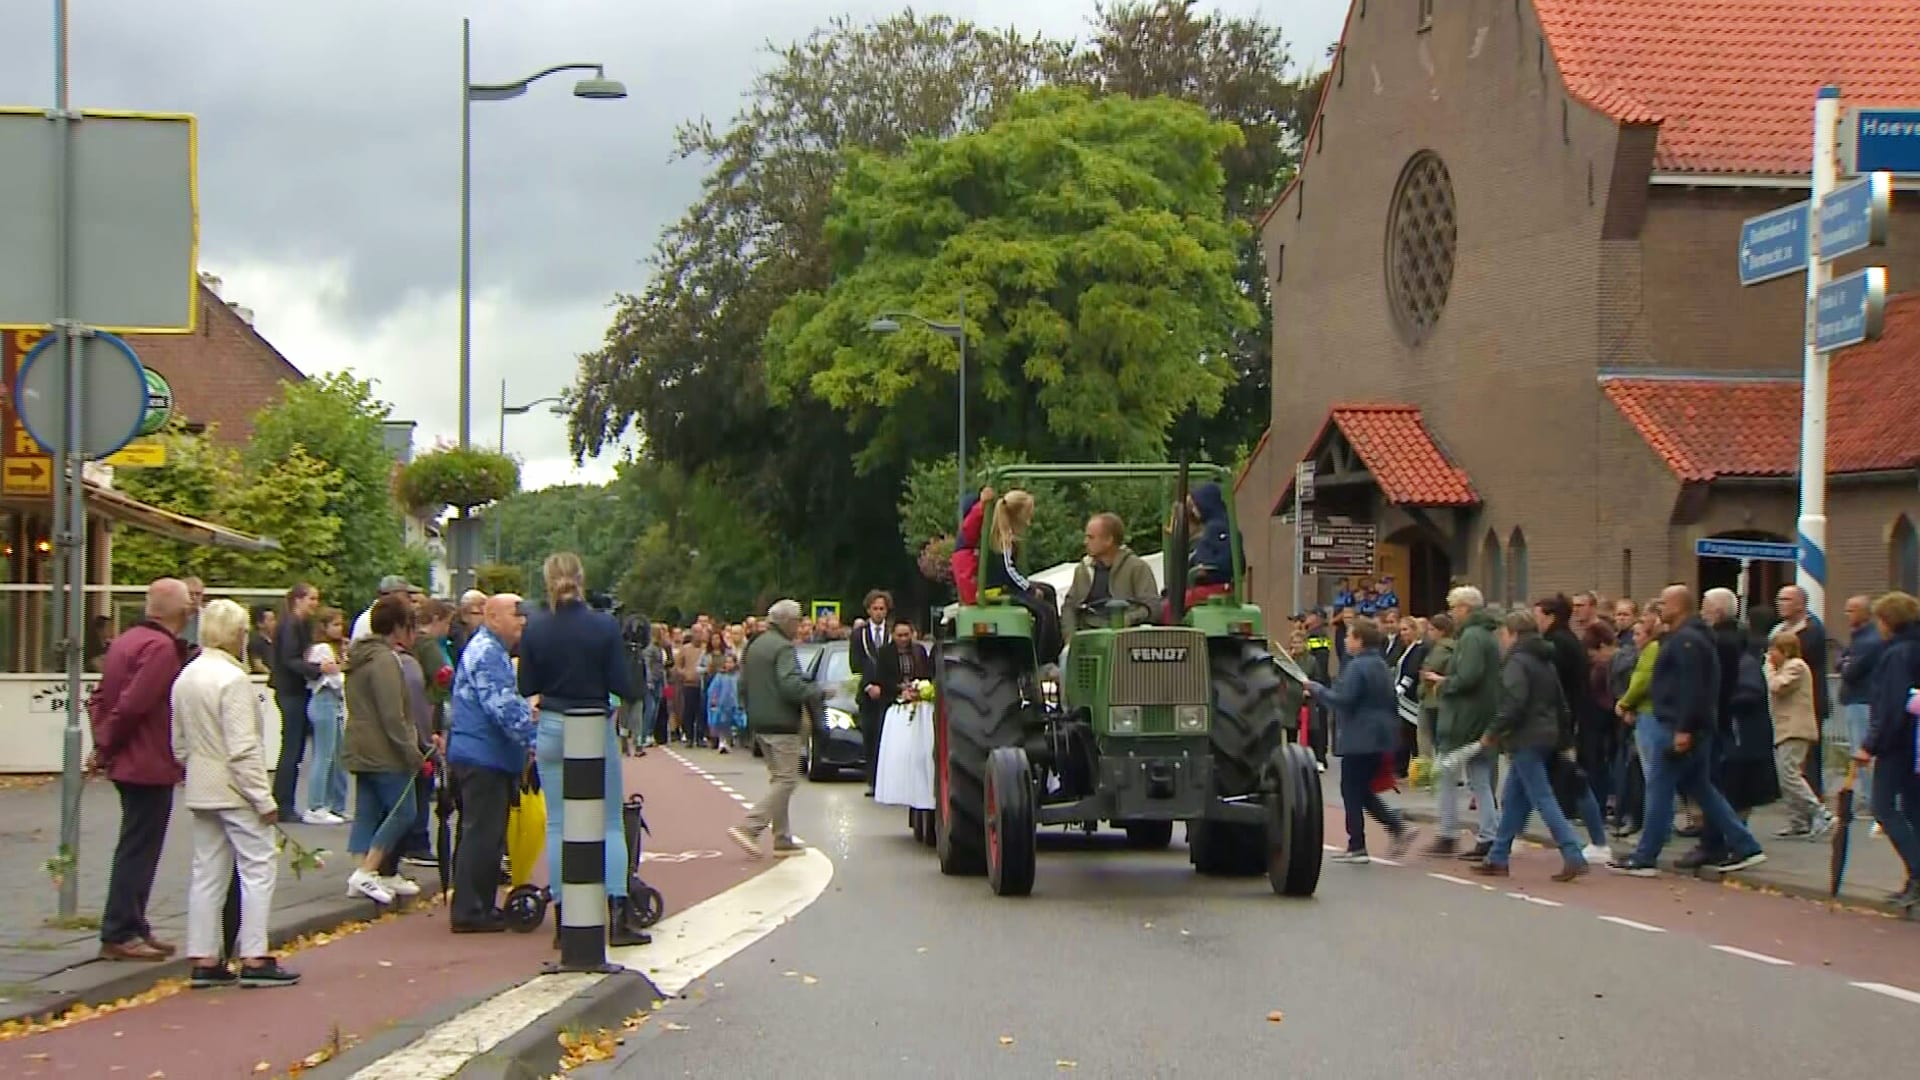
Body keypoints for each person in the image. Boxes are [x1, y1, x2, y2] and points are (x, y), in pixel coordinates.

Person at [519, 553, 648, 946]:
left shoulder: (536, 629)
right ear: (582, 579)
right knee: (608, 823)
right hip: (592, 725)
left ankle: (565, 920)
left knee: (559, 824)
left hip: (554, 725)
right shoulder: (602, 626)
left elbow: (527, 685)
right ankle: (617, 914)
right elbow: (622, 684)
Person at [172, 599, 298, 988]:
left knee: (207, 871)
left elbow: (178, 742)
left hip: (202, 783)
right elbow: (244, 748)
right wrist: (264, 799)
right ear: (238, 635)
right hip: (236, 788)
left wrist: (194, 768)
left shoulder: (187, 677)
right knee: (258, 867)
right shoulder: (234, 680)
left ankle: (204, 955)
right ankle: (254, 953)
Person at [1611, 585, 1766, 877]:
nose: (1660, 607)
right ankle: (1746, 845)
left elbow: (1693, 688)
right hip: (1690, 726)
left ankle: (1645, 856)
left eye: (1664, 602)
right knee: (1702, 789)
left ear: (1679, 606)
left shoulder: (1687, 641)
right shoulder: (1686, 638)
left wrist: (1684, 728)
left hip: (1677, 727)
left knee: (1659, 789)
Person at [87, 577, 193, 962]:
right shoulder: (161, 649)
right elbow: (134, 704)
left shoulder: (126, 641)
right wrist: (108, 743)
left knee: (135, 842)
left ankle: (134, 922)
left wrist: (102, 742)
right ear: (181, 612)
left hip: (128, 760)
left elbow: (101, 696)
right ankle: (120, 929)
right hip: (147, 760)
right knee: (140, 847)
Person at [1471, 610, 1591, 882]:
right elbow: (1560, 702)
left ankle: (1573, 853)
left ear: (1512, 634)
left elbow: (1514, 701)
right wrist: (1565, 739)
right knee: (1514, 799)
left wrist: (1493, 731)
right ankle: (1498, 857)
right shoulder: (1545, 660)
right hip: (1546, 734)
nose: (1502, 640)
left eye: (1503, 634)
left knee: (1542, 796)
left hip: (1525, 736)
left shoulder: (1516, 662)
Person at [446, 593, 536, 933]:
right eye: (517, 613)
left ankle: (479, 904)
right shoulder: (487, 653)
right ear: (492, 617)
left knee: (486, 832)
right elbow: (502, 706)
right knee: (482, 833)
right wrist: (534, 738)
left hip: (484, 753)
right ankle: (470, 910)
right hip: (483, 756)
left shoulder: (491, 650)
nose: (523, 621)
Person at [1305, 617, 1416, 863]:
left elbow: (1344, 700)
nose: (1345, 640)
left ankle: (1358, 844)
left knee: (1350, 789)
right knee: (1362, 790)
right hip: (1382, 734)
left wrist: (1316, 690)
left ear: (1360, 640)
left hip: (1360, 735)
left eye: (1349, 636)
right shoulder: (1380, 665)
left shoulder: (1357, 667)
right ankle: (1395, 827)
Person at [342, 594, 426, 905]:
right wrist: (411, 751)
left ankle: (367, 872)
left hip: (360, 746)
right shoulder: (386, 661)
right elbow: (393, 714)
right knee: (405, 811)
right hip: (385, 751)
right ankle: (368, 870)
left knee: (367, 810)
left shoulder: (359, 657)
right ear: (400, 627)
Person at [728, 599, 825, 859]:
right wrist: (816, 691)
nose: (801, 625)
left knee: (778, 779)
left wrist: (749, 712)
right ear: (787, 621)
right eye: (798, 620)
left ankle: (782, 838)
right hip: (782, 723)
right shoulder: (783, 648)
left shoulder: (755, 645)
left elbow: (743, 684)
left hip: (760, 722)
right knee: (786, 780)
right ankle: (749, 827)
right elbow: (790, 686)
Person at [1856, 591, 1920, 907]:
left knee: (1883, 807)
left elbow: (1891, 704)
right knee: (1913, 809)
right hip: (1915, 741)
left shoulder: (1896, 655)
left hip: (1896, 744)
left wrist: (1870, 744)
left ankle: (1917, 874)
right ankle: (1914, 881)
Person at [1430, 587, 1500, 860]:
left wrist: (1444, 683)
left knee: (1446, 774)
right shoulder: (1486, 636)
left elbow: (1469, 676)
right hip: (1481, 715)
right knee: (1480, 779)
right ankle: (1488, 835)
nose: (1452, 614)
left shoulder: (1471, 637)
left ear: (1464, 608)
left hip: (1465, 718)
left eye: (1453, 608)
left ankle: (1448, 833)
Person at [269, 583, 335, 816]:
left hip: (295, 690)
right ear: (298, 600)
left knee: (294, 748)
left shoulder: (298, 625)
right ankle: (283, 803)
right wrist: (318, 668)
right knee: (291, 748)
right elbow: (290, 660)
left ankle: (284, 801)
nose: (315, 604)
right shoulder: (290, 625)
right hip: (291, 691)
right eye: (311, 599)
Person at [982, 490, 1062, 663]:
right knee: (1045, 612)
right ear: (1018, 514)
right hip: (999, 590)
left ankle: (1058, 648)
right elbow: (1008, 570)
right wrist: (1029, 588)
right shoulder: (1004, 538)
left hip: (1006, 585)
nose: (1030, 519)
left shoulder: (1006, 534)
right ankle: (1042, 660)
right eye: (1028, 513)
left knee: (1049, 591)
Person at [1765, 629, 1829, 839]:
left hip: (1795, 729)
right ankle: (1798, 821)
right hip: (1784, 730)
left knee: (1790, 775)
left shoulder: (1796, 666)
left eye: (1773, 650)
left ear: (1784, 650)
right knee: (1786, 777)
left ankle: (1820, 812)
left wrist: (1768, 670)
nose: (1770, 655)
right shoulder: (1785, 668)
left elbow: (1777, 686)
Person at [1771, 585, 1830, 797]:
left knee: (1808, 759)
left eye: (1786, 599)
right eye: (1779, 599)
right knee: (1787, 761)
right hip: (1783, 704)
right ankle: (1796, 808)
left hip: (1808, 702)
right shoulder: (1777, 631)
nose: (1780, 604)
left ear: (1800, 604)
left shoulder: (1812, 630)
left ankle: (1814, 805)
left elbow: (1794, 660)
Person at [1060, 512, 1161, 636]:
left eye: (1091, 537)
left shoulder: (1137, 567)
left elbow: (1152, 607)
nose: (1085, 542)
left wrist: (1127, 619)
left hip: (1126, 638)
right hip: (1088, 639)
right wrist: (1071, 640)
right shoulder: (1083, 570)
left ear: (1108, 540)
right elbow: (1069, 607)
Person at [302, 607, 350, 826]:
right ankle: (315, 805)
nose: (340, 629)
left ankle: (336, 804)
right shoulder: (322, 649)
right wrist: (340, 670)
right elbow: (335, 681)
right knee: (324, 755)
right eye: (335, 625)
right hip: (324, 702)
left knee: (338, 756)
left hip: (336, 705)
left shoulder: (337, 650)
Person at [851, 590, 894, 794]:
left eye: (882, 609)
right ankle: (872, 780)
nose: (878, 613)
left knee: (886, 736)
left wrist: (884, 686)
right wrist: (869, 686)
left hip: (888, 692)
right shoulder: (859, 633)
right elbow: (856, 662)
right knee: (869, 735)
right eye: (875, 609)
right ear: (868, 610)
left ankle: (887, 781)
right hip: (867, 694)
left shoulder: (892, 632)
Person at [952, 487, 992, 605]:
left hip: (965, 559)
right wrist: (983, 501)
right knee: (971, 596)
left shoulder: (967, 536)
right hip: (964, 559)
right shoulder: (969, 526)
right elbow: (976, 515)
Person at [352, 575, 418, 642]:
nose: (410, 599)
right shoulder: (373, 618)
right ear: (393, 594)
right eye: (407, 595)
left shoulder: (378, 613)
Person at [706, 652, 744, 753]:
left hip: (734, 704)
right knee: (722, 724)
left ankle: (733, 740)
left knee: (735, 723)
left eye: (731, 662)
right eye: (727, 662)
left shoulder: (738, 677)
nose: (728, 664)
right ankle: (722, 743)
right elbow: (713, 690)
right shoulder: (720, 676)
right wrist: (714, 700)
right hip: (721, 704)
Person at [247, 605, 277, 676]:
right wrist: (273, 675)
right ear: (260, 624)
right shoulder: (255, 641)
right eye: (271, 620)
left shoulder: (275, 641)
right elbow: (258, 665)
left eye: (275, 619)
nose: (275, 623)